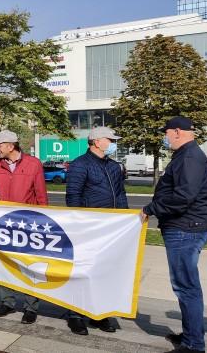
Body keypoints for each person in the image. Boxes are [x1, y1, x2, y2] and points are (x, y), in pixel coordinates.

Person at [141, 116, 207, 353]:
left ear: (177, 132)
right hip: (185, 227)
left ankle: (193, 345)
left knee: (186, 287)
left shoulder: (190, 157)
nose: (165, 137)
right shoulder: (185, 155)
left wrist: (150, 209)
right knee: (185, 286)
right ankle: (191, 335)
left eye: (167, 133)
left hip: (185, 229)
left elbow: (183, 197)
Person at [65, 126, 127, 335]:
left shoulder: (114, 166)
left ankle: (98, 314)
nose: (113, 143)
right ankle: (75, 315)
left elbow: (120, 195)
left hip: (110, 229)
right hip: (88, 228)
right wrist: (80, 225)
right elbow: (73, 196)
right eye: (110, 140)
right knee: (82, 272)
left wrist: (124, 221)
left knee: (103, 272)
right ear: (97, 141)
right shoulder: (79, 165)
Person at [0, 130, 47, 324]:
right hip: (4, 224)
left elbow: (41, 195)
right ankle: (7, 302)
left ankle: (31, 307)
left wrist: (42, 222)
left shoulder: (33, 163)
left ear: (10, 146)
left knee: (29, 265)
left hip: (29, 223)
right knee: (4, 263)